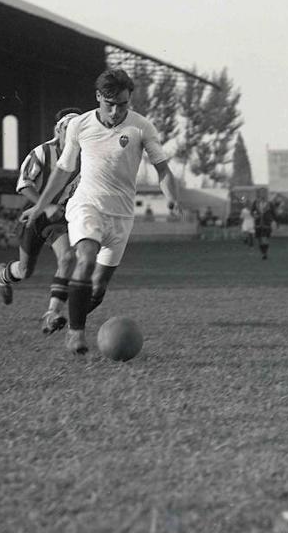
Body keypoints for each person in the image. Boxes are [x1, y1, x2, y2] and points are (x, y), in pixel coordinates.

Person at [21, 69, 180, 355]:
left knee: (98, 288)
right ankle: (75, 335)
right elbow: (63, 170)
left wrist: (172, 200)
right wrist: (41, 205)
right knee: (85, 258)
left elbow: (163, 171)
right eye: (111, 104)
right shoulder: (79, 125)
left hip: (121, 215)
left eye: (123, 104)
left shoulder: (142, 127)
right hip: (87, 204)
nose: (117, 111)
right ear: (98, 97)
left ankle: (61, 313)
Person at [0, 108, 83, 335]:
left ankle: (51, 314)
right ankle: (4, 275)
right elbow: (24, 183)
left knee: (67, 257)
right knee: (25, 271)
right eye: (70, 130)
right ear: (59, 130)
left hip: (57, 218)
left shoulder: (84, 160)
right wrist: (45, 206)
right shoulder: (42, 152)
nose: (75, 136)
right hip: (34, 216)